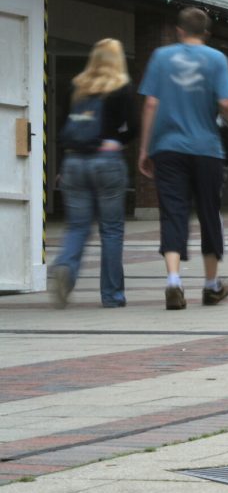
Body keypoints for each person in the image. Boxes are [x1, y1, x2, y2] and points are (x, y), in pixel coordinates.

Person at [138, 7, 228, 311]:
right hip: (206, 149)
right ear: (206, 33)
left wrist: (145, 149)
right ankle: (210, 285)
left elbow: (151, 103)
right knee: (209, 213)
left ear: (179, 30)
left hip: (167, 148)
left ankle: (173, 281)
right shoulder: (217, 59)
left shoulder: (160, 56)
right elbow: (226, 105)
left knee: (172, 212)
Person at [48, 38, 139, 309]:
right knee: (111, 230)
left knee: (77, 225)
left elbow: (64, 125)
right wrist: (116, 141)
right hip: (107, 161)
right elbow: (133, 127)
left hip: (75, 162)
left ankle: (65, 266)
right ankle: (112, 295)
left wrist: (65, 165)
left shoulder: (76, 85)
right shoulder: (121, 86)